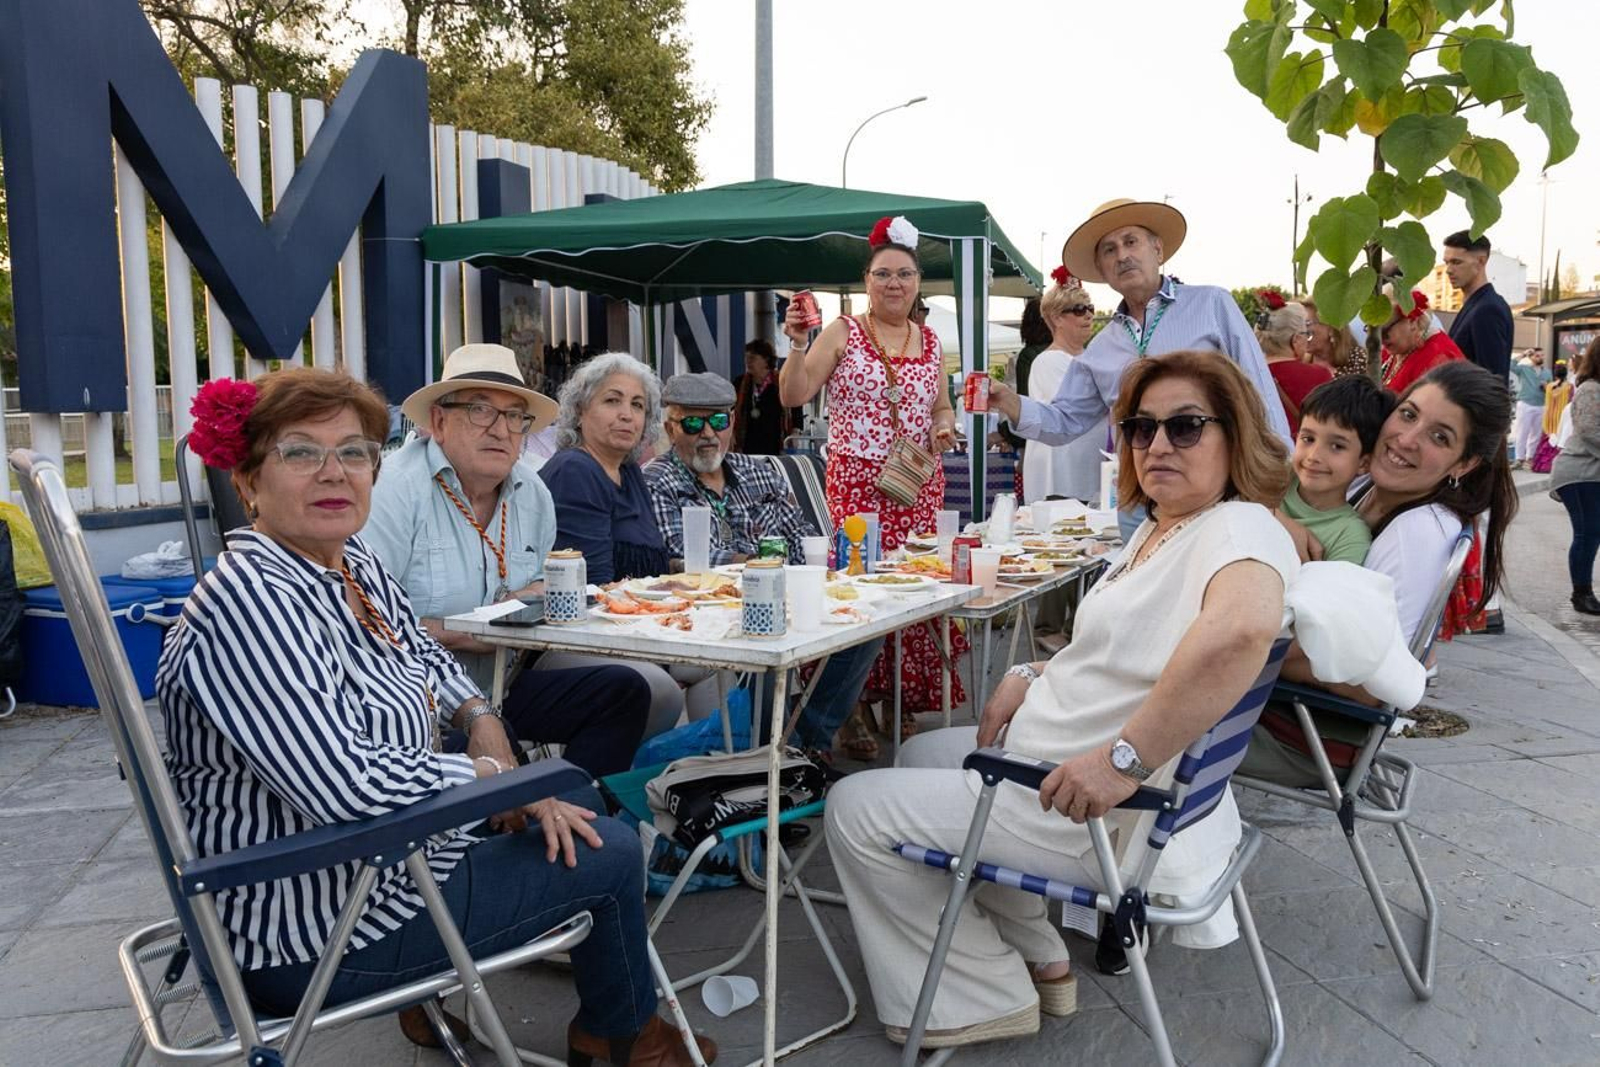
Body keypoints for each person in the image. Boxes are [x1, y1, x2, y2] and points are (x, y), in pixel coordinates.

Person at [160, 367, 715, 1066]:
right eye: (300, 452)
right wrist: (495, 776)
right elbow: (348, 785)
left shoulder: (343, 562)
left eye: (354, 451)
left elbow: (420, 652)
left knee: (573, 792)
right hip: (318, 926)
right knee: (611, 851)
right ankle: (621, 1029)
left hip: (380, 861)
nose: (334, 472)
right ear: (247, 481)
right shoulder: (251, 605)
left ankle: (600, 1007)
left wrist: (480, 714)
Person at [826, 351, 1296, 1050]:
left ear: (1237, 434)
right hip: (1055, 771)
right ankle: (1041, 952)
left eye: (1186, 426)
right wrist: (1034, 673)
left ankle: (979, 991)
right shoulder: (1167, 526)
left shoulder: (1240, 529)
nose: (1158, 444)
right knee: (928, 748)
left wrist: (1121, 760)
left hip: (1080, 810)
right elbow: (1126, 651)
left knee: (853, 807)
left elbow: (1244, 628)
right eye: (1142, 428)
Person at [363, 344, 652, 777]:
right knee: (500, 738)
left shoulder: (533, 493)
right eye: (481, 410)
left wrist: (528, 605)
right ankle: (539, 821)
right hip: (418, 699)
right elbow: (367, 627)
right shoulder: (393, 491)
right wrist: (465, 632)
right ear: (439, 421)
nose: (501, 430)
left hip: (505, 680)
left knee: (626, 691)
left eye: (515, 416)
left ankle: (573, 813)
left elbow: (544, 593)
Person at [1246, 360, 1518, 784]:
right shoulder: (1365, 486)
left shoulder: (1418, 533)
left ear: (1463, 465)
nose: (1406, 439)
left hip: (1306, 734)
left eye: (1439, 437)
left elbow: (1371, 680)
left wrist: (1236, 648)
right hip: (1282, 707)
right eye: (1408, 414)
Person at [777, 214, 967, 727]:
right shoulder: (843, 332)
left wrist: (943, 426)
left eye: (904, 274)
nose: (894, 283)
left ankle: (898, 700)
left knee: (911, 586)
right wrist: (797, 344)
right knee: (860, 589)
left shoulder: (929, 342)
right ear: (867, 282)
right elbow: (794, 395)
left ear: (918, 283)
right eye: (883, 273)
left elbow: (941, 406)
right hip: (858, 482)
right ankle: (854, 705)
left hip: (917, 482)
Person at [643, 371, 885, 759]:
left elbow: (801, 535)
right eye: (692, 422)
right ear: (671, 429)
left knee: (867, 625)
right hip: (715, 612)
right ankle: (781, 752)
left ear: (732, 423)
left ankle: (802, 741)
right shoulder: (658, 479)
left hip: (786, 594)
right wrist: (765, 567)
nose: (708, 433)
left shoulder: (760, 471)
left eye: (718, 421)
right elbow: (683, 559)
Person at [989, 198, 1292, 458]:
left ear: (1157, 251)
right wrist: (1009, 401)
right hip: (1141, 503)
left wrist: (1283, 470)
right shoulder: (1100, 349)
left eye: (1131, 241)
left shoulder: (1212, 305)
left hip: (1218, 491)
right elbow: (1065, 421)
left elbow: (1259, 391)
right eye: (1109, 250)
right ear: (1102, 271)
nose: (1122, 255)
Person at [539, 352, 710, 734]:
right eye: (611, 400)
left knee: (734, 659)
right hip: (583, 638)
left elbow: (649, 565)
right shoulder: (575, 470)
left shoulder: (630, 471)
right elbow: (595, 588)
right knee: (660, 689)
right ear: (580, 411)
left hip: (640, 629)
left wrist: (692, 582)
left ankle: (711, 771)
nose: (627, 414)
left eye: (637, 405)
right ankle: (631, 781)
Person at [1279, 376, 1394, 565]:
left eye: (1337, 446)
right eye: (1308, 439)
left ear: (1363, 464)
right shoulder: (1277, 476)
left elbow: (1328, 593)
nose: (1314, 456)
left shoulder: (1349, 535)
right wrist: (1279, 521)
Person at [1021, 269, 1103, 504]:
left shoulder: (1091, 359)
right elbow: (1084, 407)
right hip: (1063, 475)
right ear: (1056, 318)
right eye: (1078, 310)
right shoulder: (1048, 361)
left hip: (1089, 470)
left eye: (1090, 309)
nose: (1088, 316)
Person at [1550, 338, 1600, 615]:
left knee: (1591, 533)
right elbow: (1589, 431)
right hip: (1580, 472)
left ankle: (1583, 592)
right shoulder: (1590, 389)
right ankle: (1581, 594)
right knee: (1588, 533)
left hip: (1591, 473)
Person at [1255, 294, 1332, 436]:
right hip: (1300, 455)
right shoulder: (1319, 376)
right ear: (1295, 339)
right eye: (1305, 334)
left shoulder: (1246, 375)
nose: (1307, 340)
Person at [1443, 230, 1513, 382]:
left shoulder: (1487, 309)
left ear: (1481, 261)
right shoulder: (1476, 305)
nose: (1448, 270)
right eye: (1446, 262)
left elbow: (1492, 381)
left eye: (1456, 262)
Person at [1379, 289, 1464, 394]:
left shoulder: (1439, 358)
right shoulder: (1395, 349)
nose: (1380, 338)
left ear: (1412, 321)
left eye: (1385, 331)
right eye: (1375, 331)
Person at [732, 339, 795, 456]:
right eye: (746, 358)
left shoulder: (780, 382)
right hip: (747, 445)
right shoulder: (741, 383)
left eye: (752, 358)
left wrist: (796, 430)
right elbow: (731, 409)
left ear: (766, 360)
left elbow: (794, 405)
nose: (748, 362)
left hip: (774, 444)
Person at [1510, 348, 1552, 469]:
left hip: (1541, 404)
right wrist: (1523, 354)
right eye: (1537, 356)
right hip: (1526, 403)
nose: (1540, 358)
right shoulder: (1524, 369)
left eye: (1542, 355)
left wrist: (1547, 387)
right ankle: (1519, 459)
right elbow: (1511, 364)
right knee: (1522, 432)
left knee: (1536, 433)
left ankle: (1530, 458)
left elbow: (1552, 389)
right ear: (1531, 357)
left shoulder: (1547, 372)